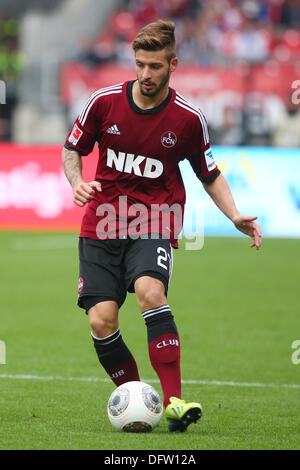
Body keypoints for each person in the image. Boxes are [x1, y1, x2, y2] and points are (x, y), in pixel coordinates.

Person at [62, 19, 261, 432]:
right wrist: (78, 182)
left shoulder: (188, 119)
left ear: (173, 64)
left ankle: (173, 401)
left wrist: (235, 214)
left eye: (155, 66)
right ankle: (140, 400)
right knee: (101, 321)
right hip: (101, 223)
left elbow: (209, 173)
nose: (146, 74)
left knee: (150, 291)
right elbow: (71, 149)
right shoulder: (103, 103)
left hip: (154, 219)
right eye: (140, 65)